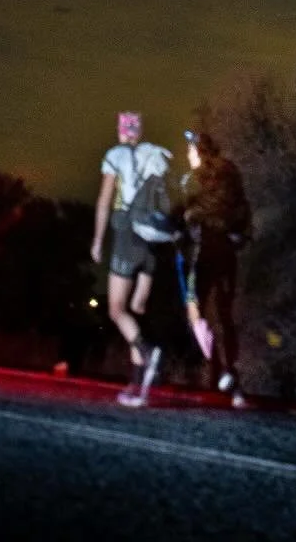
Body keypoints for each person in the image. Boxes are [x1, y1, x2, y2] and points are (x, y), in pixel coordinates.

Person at [91, 110, 171, 406]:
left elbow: (103, 201)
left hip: (126, 233)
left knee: (116, 309)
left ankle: (148, 355)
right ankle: (137, 386)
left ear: (121, 131)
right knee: (136, 309)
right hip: (152, 238)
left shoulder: (115, 155)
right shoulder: (155, 155)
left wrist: (98, 240)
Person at [178, 128, 250, 407]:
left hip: (210, 246)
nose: (187, 155)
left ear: (199, 150)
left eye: (190, 150)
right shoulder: (231, 172)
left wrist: (186, 216)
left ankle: (220, 368)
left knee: (194, 301)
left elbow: (201, 208)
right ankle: (226, 374)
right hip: (227, 249)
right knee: (223, 311)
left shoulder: (202, 176)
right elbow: (240, 208)